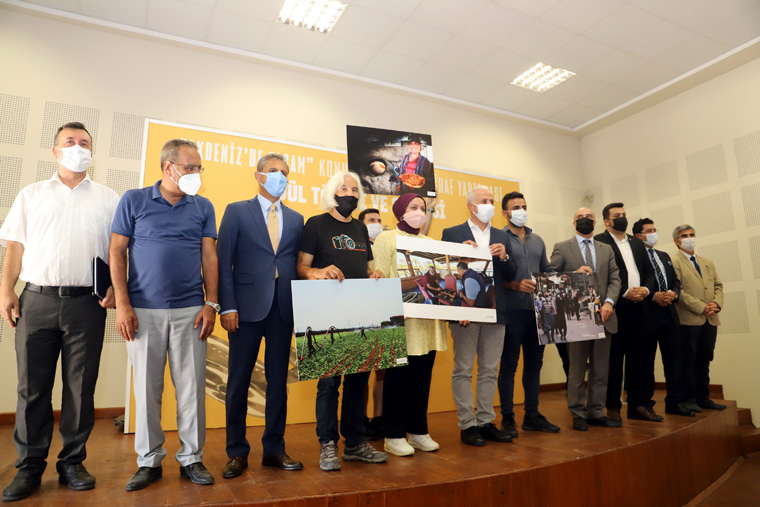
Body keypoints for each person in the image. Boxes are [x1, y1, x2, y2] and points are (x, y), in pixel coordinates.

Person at [0, 122, 118, 502]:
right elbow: (15, 248)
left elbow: (118, 251)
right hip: (36, 300)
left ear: (91, 153)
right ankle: (29, 467)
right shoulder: (32, 194)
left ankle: (72, 462)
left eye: (84, 143)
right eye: (70, 142)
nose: (77, 147)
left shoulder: (109, 199)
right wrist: (6, 290)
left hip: (87, 304)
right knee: (31, 388)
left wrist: (117, 287)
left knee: (80, 388)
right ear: (55, 151)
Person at [110, 139, 218, 491]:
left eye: (199, 167)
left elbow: (209, 256)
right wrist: (123, 305)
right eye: (190, 167)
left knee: (191, 389)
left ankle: (192, 458)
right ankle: (149, 461)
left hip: (192, 311)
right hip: (142, 311)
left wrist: (212, 303)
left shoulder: (203, 206)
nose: (196, 173)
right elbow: (116, 252)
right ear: (167, 167)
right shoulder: (134, 200)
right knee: (147, 390)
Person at [216, 153, 305, 478]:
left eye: (284, 172)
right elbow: (223, 261)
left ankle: (274, 449)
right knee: (238, 382)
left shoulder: (296, 219)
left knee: (278, 383)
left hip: (282, 309)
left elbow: (297, 263)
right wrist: (227, 306)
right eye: (273, 171)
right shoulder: (236, 211)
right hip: (244, 309)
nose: (280, 176)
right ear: (258, 175)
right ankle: (236, 452)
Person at [297, 170, 388, 472]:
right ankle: (327, 444)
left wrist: (375, 275)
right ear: (332, 193)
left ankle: (355, 443)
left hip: (361, 310)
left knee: (358, 381)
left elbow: (367, 267)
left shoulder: (361, 228)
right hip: (326, 312)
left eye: (354, 189)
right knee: (328, 383)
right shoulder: (316, 224)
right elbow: (302, 266)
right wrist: (317, 272)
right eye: (343, 188)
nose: (349, 193)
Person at [373, 193, 448, 456]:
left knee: (422, 378)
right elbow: (380, 277)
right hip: (401, 321)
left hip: (428, 323)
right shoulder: (386, 238)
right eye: (413, 207)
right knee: (398, 380)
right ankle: (393, 435)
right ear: (400, 211)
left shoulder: (431, 243)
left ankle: (418, 431)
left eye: (423, 208)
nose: (419, 212)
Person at [441, 186, 516, 446]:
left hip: (495, 311)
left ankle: (485, 421)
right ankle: (467, 425)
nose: (489, 205)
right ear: (471, 206)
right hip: (466, 312)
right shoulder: (452, 233)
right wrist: (457, 253)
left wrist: (504, 256)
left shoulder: (501, 235)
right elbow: (445, 269)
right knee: (463, 369)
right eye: (484, 201)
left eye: (492, 201)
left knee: (489, 370)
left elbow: (511, 274)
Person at [550, 208, 621, 432]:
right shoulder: (562, 247)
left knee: (600, 369)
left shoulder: (606, 248)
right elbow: (550, 278)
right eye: (580, 218)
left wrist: (609, 302)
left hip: (604, 315)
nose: (585, 220)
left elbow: (615, 278)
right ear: (574, 223)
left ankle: (596, 411)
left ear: (596, 222)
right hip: (577, 318)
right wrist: (572, 275)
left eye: (589, 217)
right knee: (577, 370)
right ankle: (578, 413)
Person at [595, 203, 659, 423]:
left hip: (640, 307)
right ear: (607, 221)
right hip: (615, 307)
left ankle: (637, 405)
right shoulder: (599, 242)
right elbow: (601, 276)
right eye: (617, 215)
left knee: (639, 358)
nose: (622, 218)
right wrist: (624, 292)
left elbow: (649, 272)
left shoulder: (636, 242)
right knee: (614, 360)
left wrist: (646, 290)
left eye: (624, 214)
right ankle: (613, 407)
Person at [632, 219, 694, 417]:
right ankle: (646, 403)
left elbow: (675, 280)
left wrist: (673, 294)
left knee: (675, 359)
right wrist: (653, 296)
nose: (654, 233)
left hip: (669, 312)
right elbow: (635, 284)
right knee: (646, 362)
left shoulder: (663, 255)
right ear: (638, 236)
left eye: (655, 230)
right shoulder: (634, 257)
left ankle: (675, 402)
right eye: (649, 231)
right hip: (647, 313)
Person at [671, 225, 726, 412]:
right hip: (689, 320)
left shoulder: (707, 262)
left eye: (692, 234)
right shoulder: (674, 263)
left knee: (705, 358)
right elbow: (679, 292)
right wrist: (702, 307)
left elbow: (718, 286)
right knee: (688, 360)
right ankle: (689, 398)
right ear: (677, 241)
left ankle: (703, 397)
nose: (689, 238)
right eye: (684, 236)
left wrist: (716, 304)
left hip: (710, 319)